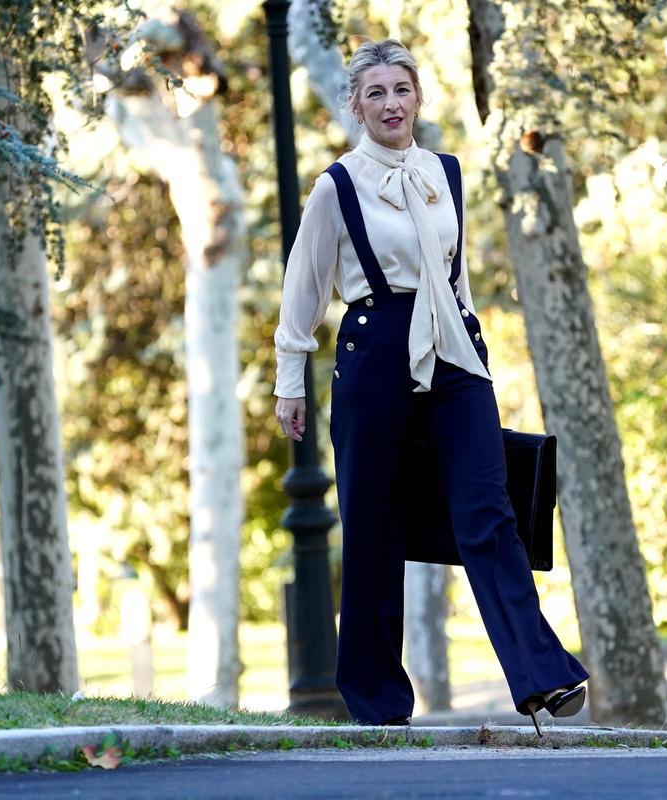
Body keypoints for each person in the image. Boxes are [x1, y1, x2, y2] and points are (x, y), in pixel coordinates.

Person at [273, 38, 589, 732]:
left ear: (418, 97)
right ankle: (378, 702)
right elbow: (303, 289)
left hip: (453, 354)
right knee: (373, 528)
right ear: (355, 104)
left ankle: (542, 677)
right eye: (376, 93)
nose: (391, 104)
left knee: (489, 512)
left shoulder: (445, 172)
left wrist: (472, 337)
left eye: (402, 90)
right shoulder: (338, 186)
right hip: (374, 350)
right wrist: (288, 381)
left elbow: (457, 274)